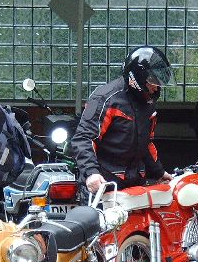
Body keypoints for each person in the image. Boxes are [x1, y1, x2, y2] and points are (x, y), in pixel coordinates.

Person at [71, 46, 174, 192]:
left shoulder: (148, 101)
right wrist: (91, 173)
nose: (157, 87)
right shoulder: (106, 98)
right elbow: (84, 138)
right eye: (153, 81)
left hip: (135, 183)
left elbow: (146, 143)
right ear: (138, 77)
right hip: (103, 184)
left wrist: (159, 172)